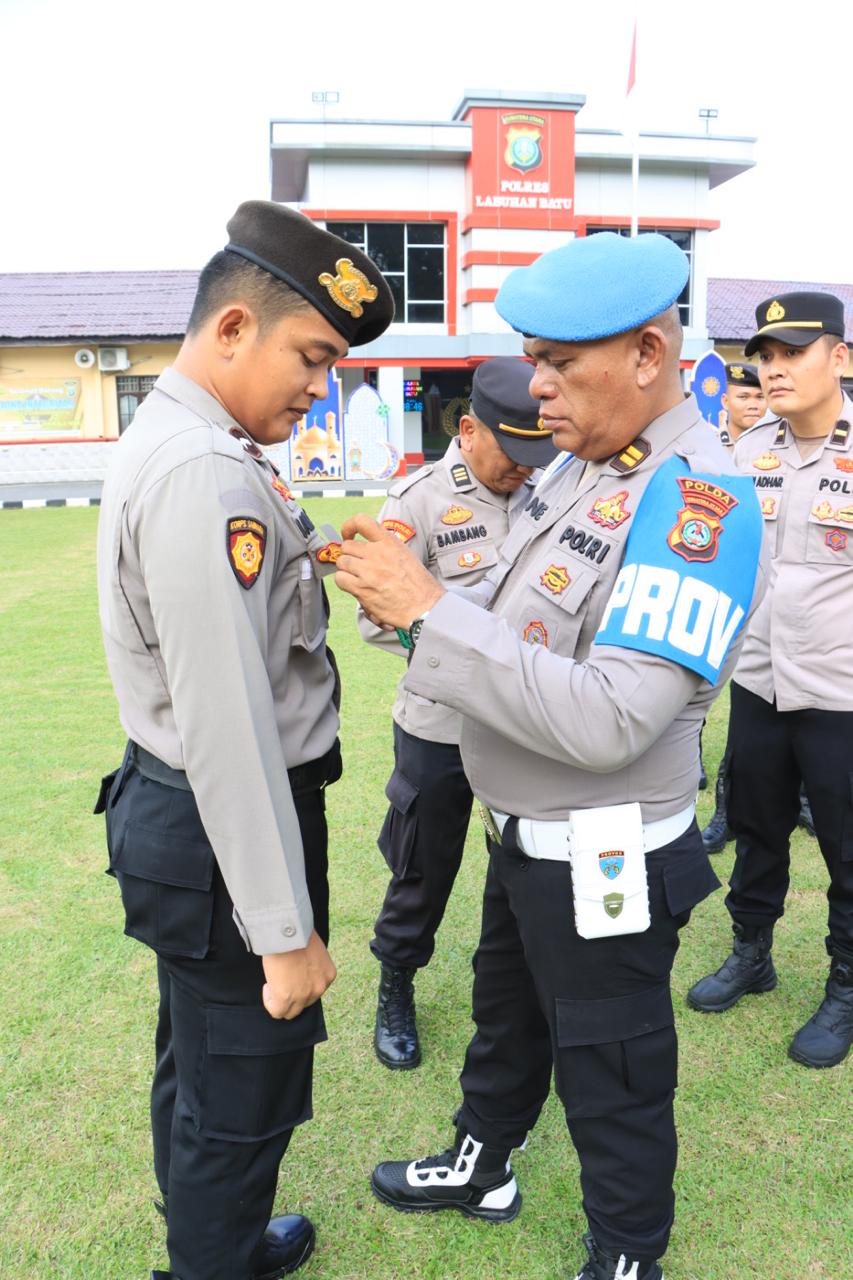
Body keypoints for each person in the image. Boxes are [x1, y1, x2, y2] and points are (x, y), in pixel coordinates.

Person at [334, 231, 766, 1280]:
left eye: (559, 363)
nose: (537, 387)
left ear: (648, 356)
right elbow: (516, 622)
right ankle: (483, 1162)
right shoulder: (581, 468)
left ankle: (626, 1252)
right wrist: (400, 598)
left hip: (603, 848)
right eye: (534, 358)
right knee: (505, 1019)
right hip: (518, 829)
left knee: (613, 1065)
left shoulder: (699, 502)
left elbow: (613, 716)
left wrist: (432, 612)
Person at [94, 200, 393, 1280]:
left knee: (200, 1058)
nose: (322, 384)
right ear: (232, 328)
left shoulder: (197, 442)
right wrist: (283, 931)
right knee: (241, 1088)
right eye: (312, 355)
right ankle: (209, 1257)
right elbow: (227, 722)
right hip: (230, 823)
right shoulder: (205, 473)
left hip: (193, 816)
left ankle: (209, 1240)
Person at [359, 357, 558, 1069]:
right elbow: (373, 620)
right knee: (423, 867)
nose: (527, 468)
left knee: (528, 866)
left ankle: (511, 997)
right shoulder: (414, 501)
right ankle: (395, 983)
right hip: (439, 727)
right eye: (514, 451)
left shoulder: (550, 488)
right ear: (468, 428)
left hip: (526, 722)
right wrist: (463, 631)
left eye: (541, 452)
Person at [688, 291, 853, 1069]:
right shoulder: (745, 451)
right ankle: (751, 953)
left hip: (841, 696)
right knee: (754, 830)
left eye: (792, 353)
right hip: (758, 681)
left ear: (840, 360)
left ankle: (847, 987)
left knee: (848, 850)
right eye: (766, 355)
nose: (773, 368)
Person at [702, 361, 814, 850]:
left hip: (806, 635)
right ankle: (725, 812)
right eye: (743, 397)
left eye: (757, 397)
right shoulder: (719, 450)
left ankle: (804, 799)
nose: (754, 403)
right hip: (743, 626)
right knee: (741, 740)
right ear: (723, 400)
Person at [719, 361, 766, 447]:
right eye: (743, 397)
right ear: (726, 402)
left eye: (760, 397)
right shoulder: (709, 445)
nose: (753, 406)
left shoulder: (777, 446)